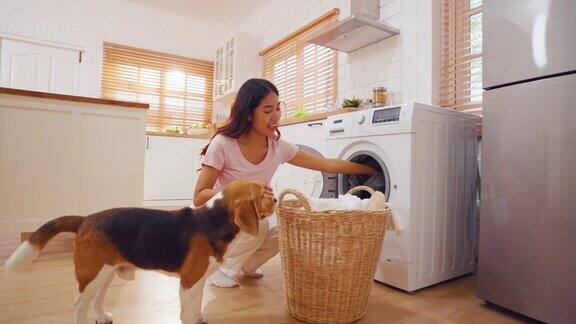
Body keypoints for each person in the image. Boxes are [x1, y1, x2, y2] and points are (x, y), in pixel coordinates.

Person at [194, 78, 377, 288]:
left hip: (251, 217)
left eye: (278, 108)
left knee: (288, 223)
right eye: (267, 110)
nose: (276, 116)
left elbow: (327, 165)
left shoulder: (277, 146)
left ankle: (247, 265)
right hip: (218, 219)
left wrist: (370, 169)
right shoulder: (223, 144)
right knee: (259, 221)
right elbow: (199, 196)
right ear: (247, 114)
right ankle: (222, 268)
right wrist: (241, 191)